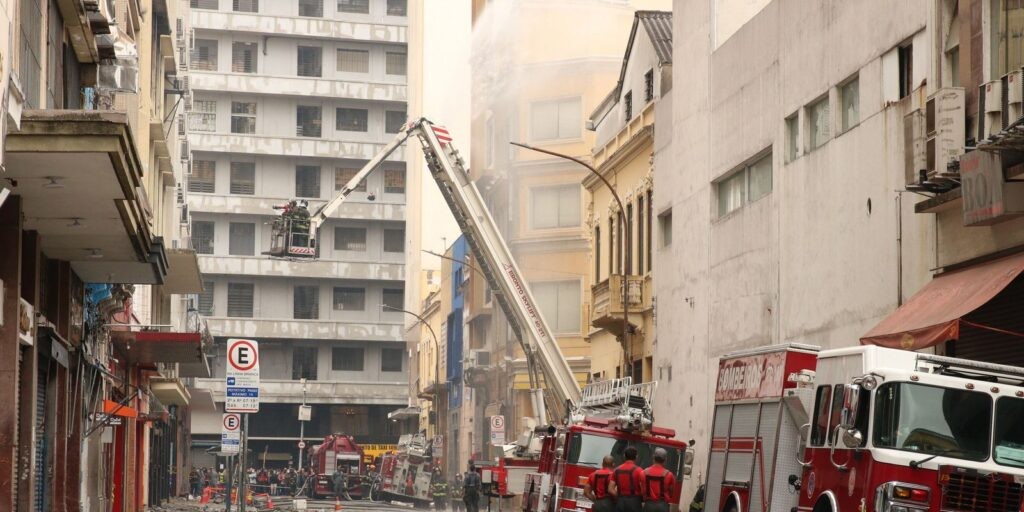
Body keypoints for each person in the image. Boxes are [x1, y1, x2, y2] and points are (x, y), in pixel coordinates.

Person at [613, 446, 645, 512]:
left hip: (620, 501)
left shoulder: (616, 470)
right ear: (636, 456)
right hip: (634, 502)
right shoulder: (640, 471)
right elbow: (643, 490)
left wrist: (619, 497)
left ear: (624, 456)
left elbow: (610, 488)